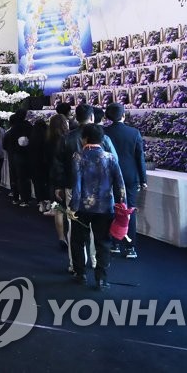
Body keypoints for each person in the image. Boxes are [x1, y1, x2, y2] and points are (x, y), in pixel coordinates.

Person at [68, 124, 126, 291]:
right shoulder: (110, 157)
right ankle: (101, 279)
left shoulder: (78, 156)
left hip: (83, 207)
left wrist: (73, 207)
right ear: (102, 139)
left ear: (84, 138)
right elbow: (120, 184)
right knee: (103, 242)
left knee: (78, 241)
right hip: (105, 207)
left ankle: (80, 274)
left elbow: (76, 185)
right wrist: (123, 206)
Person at [104, 103, 148, 259]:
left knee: (112, 208)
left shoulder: (104, 132)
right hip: (130, 175)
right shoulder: (134, 132)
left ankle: (114, 244)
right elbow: (139, 158)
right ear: (123, 115)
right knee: (129, 209)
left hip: (110, 174)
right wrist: (143, 179)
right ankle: (131, 247)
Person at [46, 114, 71, 249]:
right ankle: (71, 236)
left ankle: (61, 237)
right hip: (68, 176)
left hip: (53, 176)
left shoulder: (48, 139)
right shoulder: (68, 139)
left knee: (58, 209)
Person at [4, 111, 33, 206]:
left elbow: (6, 144)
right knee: (26, 178)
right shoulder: (29, 126)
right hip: (28, 155)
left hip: (15, 155)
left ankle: (16, 197)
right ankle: (27, 199)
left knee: (16, 178)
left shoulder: (13, 129)